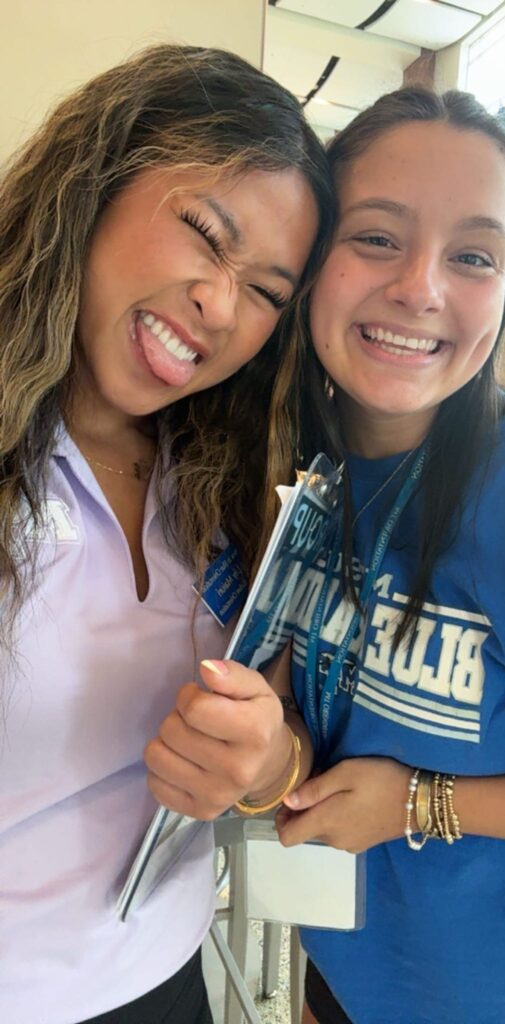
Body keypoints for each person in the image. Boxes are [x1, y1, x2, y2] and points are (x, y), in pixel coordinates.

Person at [0, 43, 334, 1024]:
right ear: (93, 186)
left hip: (168, 974)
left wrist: (265, 765)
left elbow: (279, 732)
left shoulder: (225, 477)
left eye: (266, 292)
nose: (220, 307)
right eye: (204, 233)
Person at [268, 87, 505, 1024]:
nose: (421, 288)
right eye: (376, 236)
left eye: (473, 256)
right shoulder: (282, 464)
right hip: (340, 972)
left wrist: (421, 801)